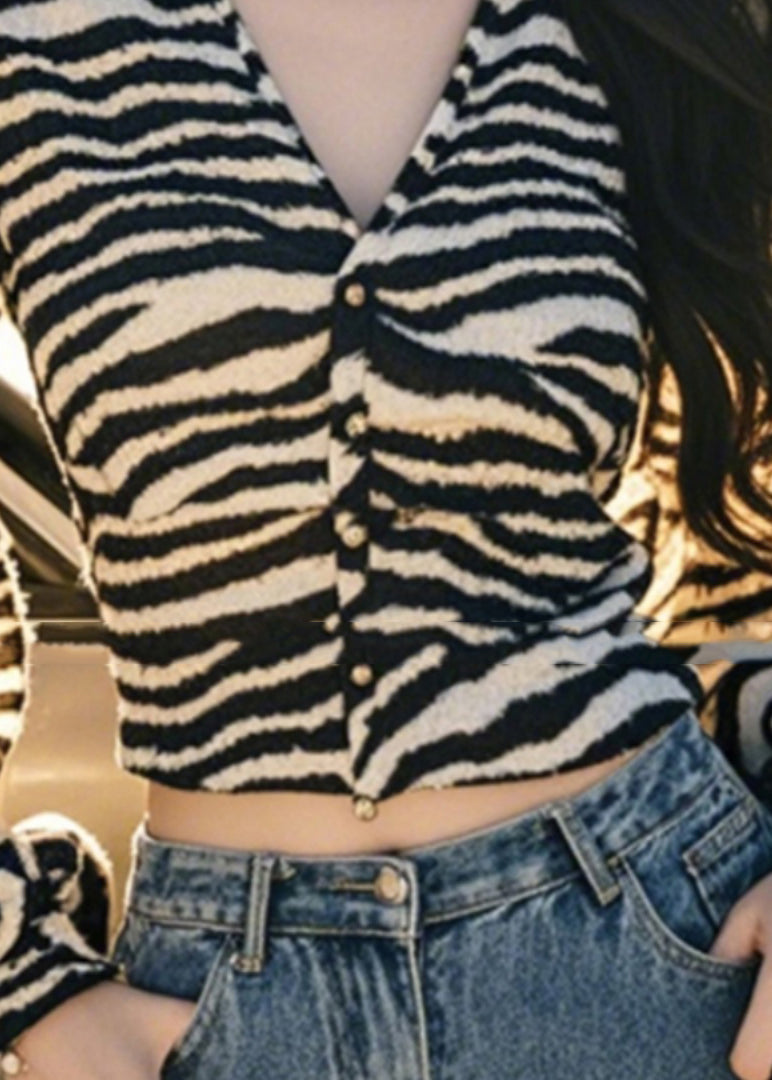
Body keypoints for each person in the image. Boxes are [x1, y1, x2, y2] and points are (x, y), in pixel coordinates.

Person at [1, 0, 772, 1077]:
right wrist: (33, 990)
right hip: (218, 1005)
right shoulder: (43, 38)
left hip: (648, 956)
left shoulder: (629, 27)